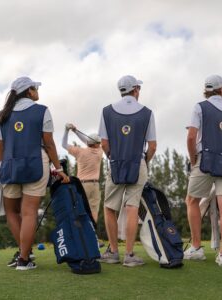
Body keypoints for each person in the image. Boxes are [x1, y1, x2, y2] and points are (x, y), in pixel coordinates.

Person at [0, 76, 69, 270]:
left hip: (9, 167)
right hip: (36, 164)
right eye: (35, 88)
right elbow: (49, 143)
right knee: (29, 213)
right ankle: (24, 259)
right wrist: (58, 169)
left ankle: (23, 254)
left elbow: (0, 145)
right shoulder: (42, 111)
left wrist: (0, 167)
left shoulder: (4, 114)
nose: (37, 91)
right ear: (29, 91)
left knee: (11, 211)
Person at [98, 75, 156, 267]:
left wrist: (113, 158)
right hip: (137, 163)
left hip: (115, 163)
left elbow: (104, 144)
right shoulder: (147, 112)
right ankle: (129, 255)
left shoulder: (106, 111)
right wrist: (144, 162)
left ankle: (113, 252)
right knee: (132, 207)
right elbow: (153, 146)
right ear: (135, 89)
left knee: (109, 208)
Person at [184, 75, 222, 267]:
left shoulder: (199, 107)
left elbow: (191, 137)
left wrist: (193, 160)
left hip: (205, 160)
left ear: (207, 90)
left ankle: (197, 247)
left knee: (192, 200)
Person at [62, 124, 103, 223]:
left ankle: (81, 234)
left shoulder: (79, 152)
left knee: (79, 210)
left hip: (81, 185)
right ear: (97, 144)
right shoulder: (99, 151)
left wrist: (67, 130)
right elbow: (88, 141)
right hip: (95, 185)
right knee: (93, 211)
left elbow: (63, 144)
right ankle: (93, 233)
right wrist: (76, 131)